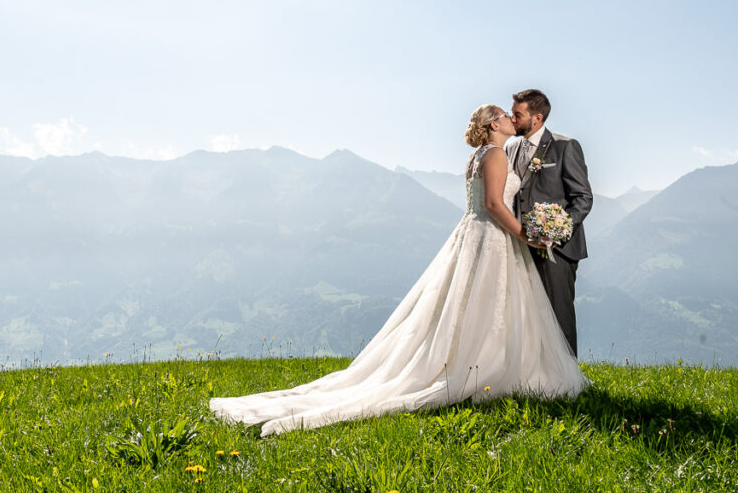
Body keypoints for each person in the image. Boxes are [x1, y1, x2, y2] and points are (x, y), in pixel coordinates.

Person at [209, 104, 587, 436]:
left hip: (474, 236)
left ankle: (474, 361)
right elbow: (492, 202)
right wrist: (527, 235)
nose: (509, 117)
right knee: (490, 304)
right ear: (492, 125)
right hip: (492, 237)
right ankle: (485, 368)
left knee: (471, 304)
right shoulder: (497, 156)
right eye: (504, 115)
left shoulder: (478, 156)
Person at [508, 89, 592, 356]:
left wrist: (557, 231)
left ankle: (567, 380)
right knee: (523, 314)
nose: (512, 118)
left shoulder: (565, 146)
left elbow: (582, 198)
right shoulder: (509, 148)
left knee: (558, 314)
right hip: (518, 243)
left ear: (537, 117)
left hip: (556, 248)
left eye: (517, 114)